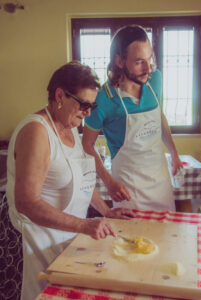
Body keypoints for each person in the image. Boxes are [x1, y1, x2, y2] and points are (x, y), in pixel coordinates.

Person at [6, 61, 134, 300]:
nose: (88, 112)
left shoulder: (71, 127)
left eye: (92, 105)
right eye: (84, 104)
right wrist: (83, 225)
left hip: (66, 237)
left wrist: (106, 211)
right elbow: (27, 202)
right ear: (60, 95)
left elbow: (83, 181)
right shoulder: (37, 132)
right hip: (35, 242)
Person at [82, 25, 183, 211]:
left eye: (149, 59)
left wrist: (175, 155)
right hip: (129, 190)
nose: (148, 68)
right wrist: (109, 181)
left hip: (160, 182)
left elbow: (160, 117)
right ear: (119, 61)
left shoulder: (155, 80)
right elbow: (86, 145)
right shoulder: (103, 99)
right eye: (139, 62)